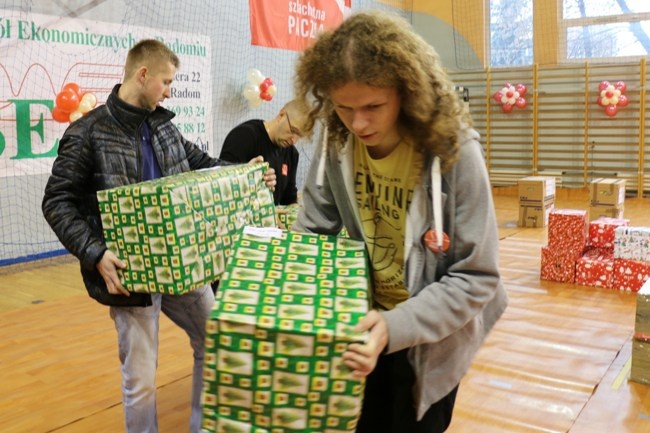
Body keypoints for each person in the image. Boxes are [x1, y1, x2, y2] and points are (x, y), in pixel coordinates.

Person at [41, 39, 276, 433]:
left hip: (184, 266)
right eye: (166, 82)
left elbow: (201, 164)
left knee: (214, 342)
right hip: (130, 275)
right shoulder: (88, 133)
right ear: (143, 74)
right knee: (142, 381)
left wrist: (248, 172)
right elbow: (57, 201)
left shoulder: (164, 126)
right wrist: (95, 253)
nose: (169, 90)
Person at [291, 10, 508, 433]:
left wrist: (394, 327)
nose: (358, 122)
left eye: (373, 106)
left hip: (430, 336)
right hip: (361, 324)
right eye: (344, 107)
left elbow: (477, 276)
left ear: (406, 92)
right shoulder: (337, 138)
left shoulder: (454, 152)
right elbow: (312, 234)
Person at [219, 99, 307, 206]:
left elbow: (289, 199)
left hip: (271, 222)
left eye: (299, 136)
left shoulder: (292, 154)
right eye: (293, 130)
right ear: (281, 115)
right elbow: (221, 187)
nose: (294, 140)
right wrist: (250, 179)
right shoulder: (244, 137)